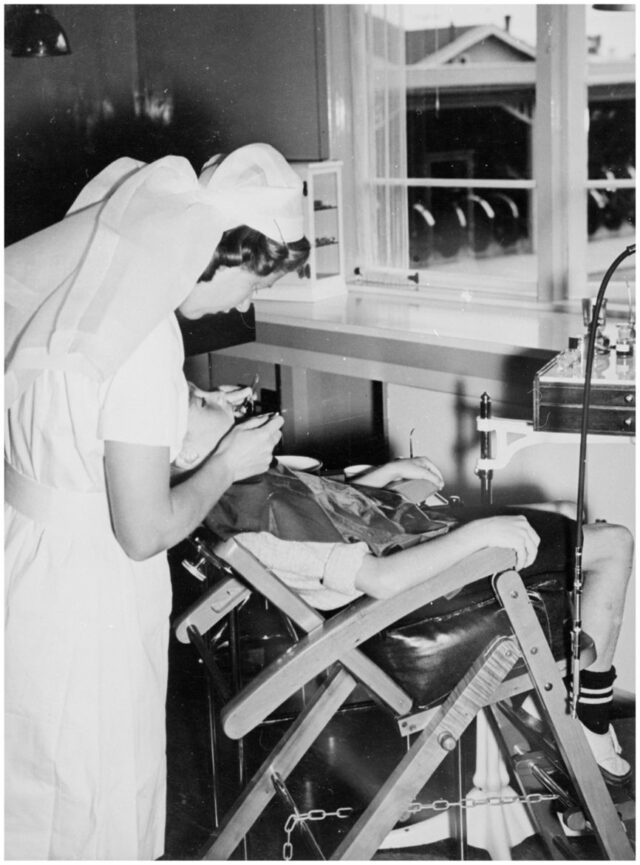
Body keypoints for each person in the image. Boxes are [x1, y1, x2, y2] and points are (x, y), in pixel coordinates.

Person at [4, 143, 310, 860]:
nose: (244, 303)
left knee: (28, 793)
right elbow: (145, 530)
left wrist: (190, 407)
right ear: (222, 252)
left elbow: (82, 417)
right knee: (94, 807)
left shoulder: (78, 287)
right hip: (87, 601)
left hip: (25, 568)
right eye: (252, 281)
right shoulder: (146, 341)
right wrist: (228, 461)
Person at [174, 389, 634, 783]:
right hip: (419, 598)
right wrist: (477, 535)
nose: (221, 397)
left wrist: (378, 479)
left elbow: (323, 514)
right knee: (614, 544)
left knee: (562, 514)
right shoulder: (260, 528)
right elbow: (381, 577)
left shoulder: (235, 497)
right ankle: (591, 716)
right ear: (188, 454)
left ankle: (562, 703)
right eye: (200, 400)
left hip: (414, 572)